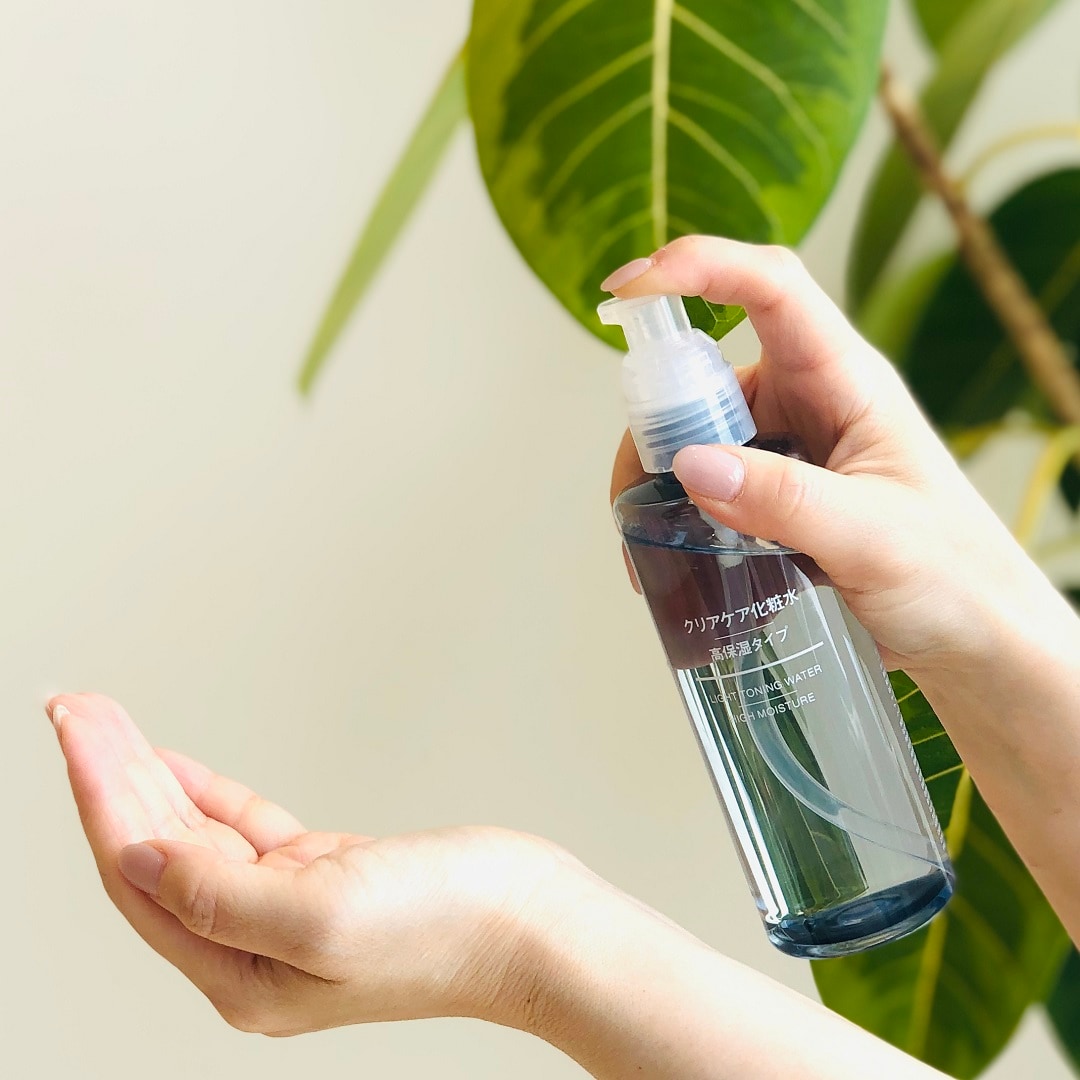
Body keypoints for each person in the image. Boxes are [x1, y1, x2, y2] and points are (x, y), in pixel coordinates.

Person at [49, 237, 1080, 1079]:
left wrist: (525, 943)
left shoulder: (758, 481)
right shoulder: (688, 513)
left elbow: (534, 945)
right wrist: (981, 615)